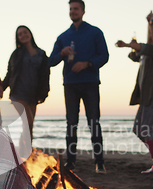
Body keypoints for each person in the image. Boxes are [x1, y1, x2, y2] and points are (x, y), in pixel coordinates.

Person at [49, 0, 109, 174]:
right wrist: (61, 53)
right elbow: (51, 61)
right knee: (71, 123)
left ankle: (99, 162)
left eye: (76, 9)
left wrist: (87, 64)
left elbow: (104, 56)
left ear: (83, 11)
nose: (73, 11)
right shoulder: (63, 37)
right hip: (70, 84)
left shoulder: (95, 32)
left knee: (94, 122)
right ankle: (71, 162)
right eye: (71, 9)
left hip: (90, 83)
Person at [116, 13, 153, 174]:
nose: (151, 26)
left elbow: (147, 49)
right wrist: (132, 48)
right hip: (146, 95)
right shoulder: (147, 49)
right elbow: (135, 55)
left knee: (146, 128)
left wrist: (128, 45)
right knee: (138, 129)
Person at [3, 25, 50, 147]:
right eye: (20, 34)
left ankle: (25, 152)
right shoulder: (16, 54)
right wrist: (1, 88)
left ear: (30, 33)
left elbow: (45, 76)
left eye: (25, 32)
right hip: (18, 93)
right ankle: (24, 152)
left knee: (29, 125)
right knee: (28, 122)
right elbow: (10, 74)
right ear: (18, 38)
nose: (23, 35)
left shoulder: (41, 54)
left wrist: (44, 94)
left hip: (33, 95)